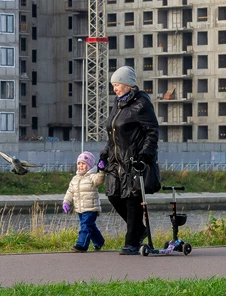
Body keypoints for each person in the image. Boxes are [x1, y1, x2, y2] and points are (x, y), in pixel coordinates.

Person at [99, 65, 161, 255]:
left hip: (134, 161)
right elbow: (113, 136)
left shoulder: (142, 103)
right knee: (113, 195)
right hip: (116, 162)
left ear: (128, 85)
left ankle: (132, 242)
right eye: (113, 85)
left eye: (117, 85)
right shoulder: (117, 103)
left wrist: (145, 154)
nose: (115, 89)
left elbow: (152, 132)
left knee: (132, 200)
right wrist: (104, 154)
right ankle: (139, 230)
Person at [62, 151, 105, 253]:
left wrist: (102, 171)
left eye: (84, 164)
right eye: (79, 164)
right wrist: (66, 202)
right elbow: (70, 192)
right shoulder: (75, 179)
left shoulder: (92, 176)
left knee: (85, 226)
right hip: (80, 208)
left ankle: (81, 245)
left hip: (91, 208)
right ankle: (99, 241)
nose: (81, 166)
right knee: (90, 226)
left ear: (89, 166)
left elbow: (99, 180)